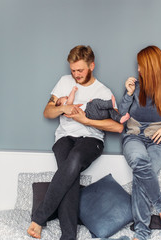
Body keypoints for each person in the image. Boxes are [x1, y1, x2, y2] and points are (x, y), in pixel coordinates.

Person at [27, 45, 123, 240]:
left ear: (91, 66)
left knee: (75, 158)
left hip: (91, 139)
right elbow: (47, 112)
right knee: (69, 174)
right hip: (64, 137)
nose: (76, 75)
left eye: (80, 70)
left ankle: (38, 218)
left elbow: (118, 127)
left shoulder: (103, 91)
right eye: (73, 70)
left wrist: (85, 120)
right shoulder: (63, 83)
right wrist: (65, 107)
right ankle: (68, 236)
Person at [119, 46, 161, 240]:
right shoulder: (135, 87)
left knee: (141, 177)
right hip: (133, 137)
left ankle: (142, 232)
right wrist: (128, 94)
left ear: (151, 66)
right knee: (139, 162)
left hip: (158, 142)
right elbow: (121, 115)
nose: (138, 69)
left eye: (141, 65)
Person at [56, 86, 130, 124]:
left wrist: (89, 103)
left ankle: (120, 118)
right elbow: (70, 101)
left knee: (109, 110)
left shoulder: (71, 109)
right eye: (61, 98)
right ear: (61, 104)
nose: (66, 96)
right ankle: (110, 103)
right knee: (95, 101)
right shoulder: (66, 107)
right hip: (89, 112)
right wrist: (73, 91)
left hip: (95, 115)